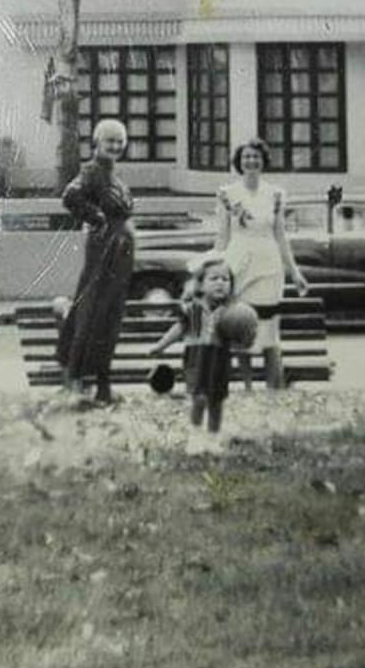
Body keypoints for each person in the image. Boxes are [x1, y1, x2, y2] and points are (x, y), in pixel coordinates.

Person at [214, 137, 308, 391]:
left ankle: (273, 388)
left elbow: (280, 235)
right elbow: (222, 236)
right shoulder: (226, 194)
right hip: (238, 263)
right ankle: (246, 388)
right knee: (242, 326)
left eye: (255, 157)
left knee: (268, 331)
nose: (251, 161)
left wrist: (295, 271)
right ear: (239, 162)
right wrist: (214, 268)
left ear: (263, 161)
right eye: (246, 157)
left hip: (268, 265)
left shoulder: (276, 194)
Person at [56, 117, 134, 404]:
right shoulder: (91, 171)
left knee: (111, 317)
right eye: (109, 140)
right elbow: (70, 196)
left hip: (121, 253)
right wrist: (97, 218)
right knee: (92, 314)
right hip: (104, 251)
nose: (114, 146)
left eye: (119, 141)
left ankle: (103, 385)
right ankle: (75, 381)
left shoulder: (114, 176)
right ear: (96, 143)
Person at [151, 256, 257, 434]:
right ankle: (196, 434)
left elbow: (241, 339)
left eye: (225, 279)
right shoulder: (194, 309)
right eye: (214, 279)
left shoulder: (233, 311)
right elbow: (180, 328)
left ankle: (213, 436)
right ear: (200, 284)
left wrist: (245, 340)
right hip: (197, 357)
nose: (220, 283)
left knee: (216, 401)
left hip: (220, 359)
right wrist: (161, 346)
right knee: (198, 398)